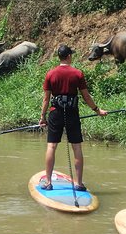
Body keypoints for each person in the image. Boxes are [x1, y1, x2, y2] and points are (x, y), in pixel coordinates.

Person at [38, 44, 107, 190]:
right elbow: (86, 96)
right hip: (72, 113)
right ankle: (79, 184)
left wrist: (43, 117)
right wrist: (97, 110)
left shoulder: (50, 74)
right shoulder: (77, 73)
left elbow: (46, 99)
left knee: (51, 146)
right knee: (76, 147)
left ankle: (48, 183)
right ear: (69, 56)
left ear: (59, 57)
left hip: (55, 112)